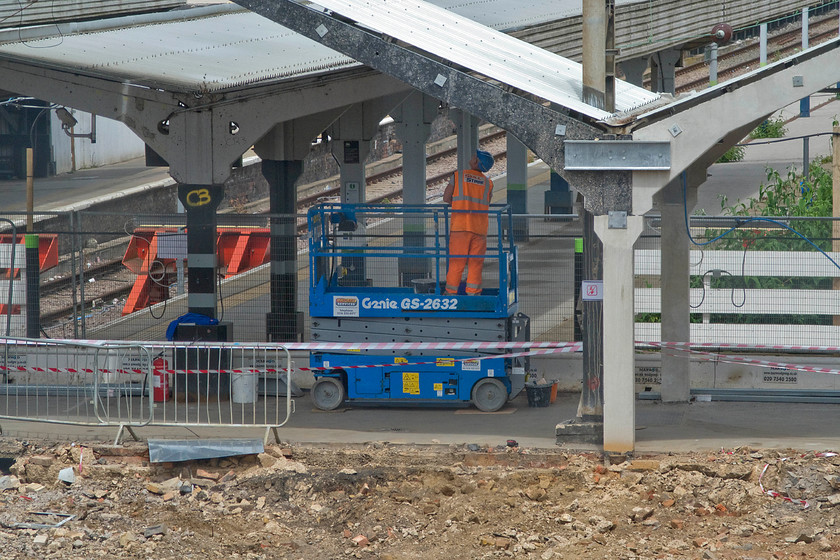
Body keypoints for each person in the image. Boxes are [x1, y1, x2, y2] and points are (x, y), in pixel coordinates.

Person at [443, 149, 494, 295]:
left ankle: (450, 294)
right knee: (476, 263)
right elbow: (486, 203)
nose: (472, 158)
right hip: (479, 229)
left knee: (457, 262)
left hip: (460, 227)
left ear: (477, 161)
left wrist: (460, 205)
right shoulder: (488, 183)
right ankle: (473, 293)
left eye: (474, 156)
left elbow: (446, 198)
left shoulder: (459, 176)